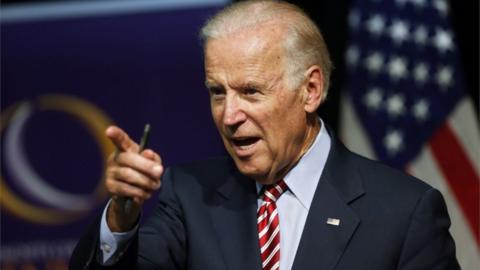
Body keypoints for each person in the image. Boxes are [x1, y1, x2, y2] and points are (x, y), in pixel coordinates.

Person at [69, 1, 459, 269]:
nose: (229, 115)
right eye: (217, 92)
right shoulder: (188, 195)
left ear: (311, 90)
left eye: (251, 91)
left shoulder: (405, 213)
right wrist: (121, 214)